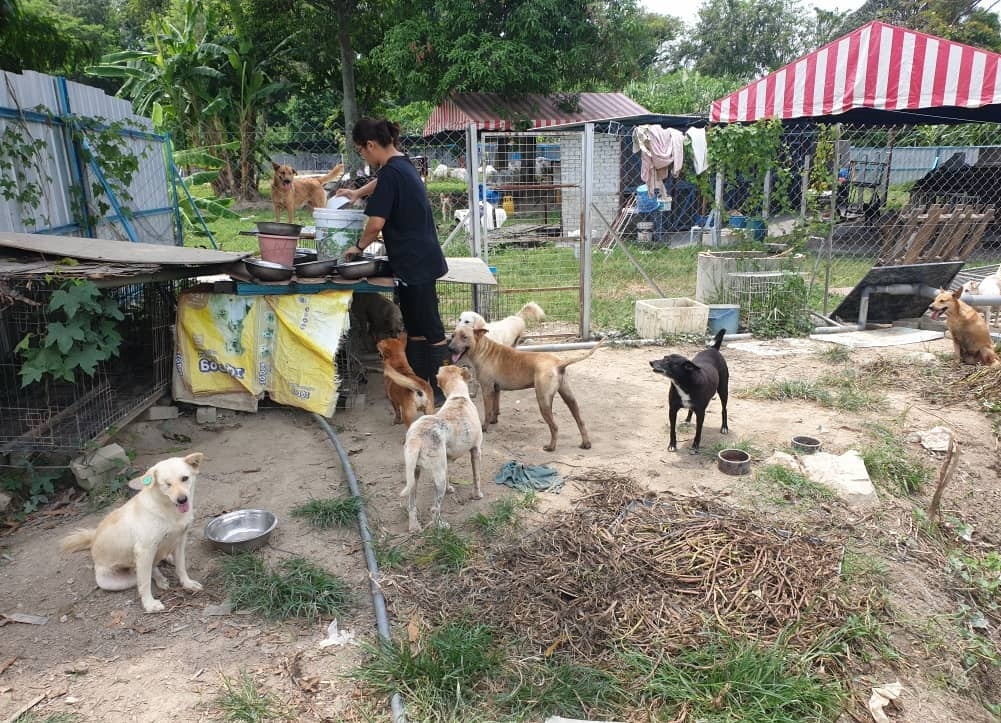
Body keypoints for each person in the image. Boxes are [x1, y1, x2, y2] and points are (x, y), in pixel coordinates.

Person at [335, 118, 449, 403]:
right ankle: (420, 386)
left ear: (371, 145)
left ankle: (442, 392)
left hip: (416, 262)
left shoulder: (392, 173)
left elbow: (374, 225)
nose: (363, 155)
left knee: (431, 329)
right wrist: (358, 192)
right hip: (416, 259)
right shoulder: (401, 164)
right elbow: (381, 182)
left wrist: (358, 247)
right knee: (416, 328)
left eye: (362, 150)